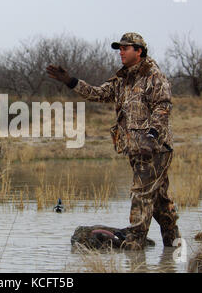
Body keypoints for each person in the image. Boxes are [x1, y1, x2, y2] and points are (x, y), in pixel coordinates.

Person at [46, 32, 181, 250]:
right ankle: (174, 247)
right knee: (159, 202)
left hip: (155, 149)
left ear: (139, 51)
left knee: (141, 193)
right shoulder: (122, 78)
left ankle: (135, 244)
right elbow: (98, 94)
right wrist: (70, 81)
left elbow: (163, 107)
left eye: (125, 48)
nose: (121, 52)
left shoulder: (153, 76)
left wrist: (152, 136)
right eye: (119, 48)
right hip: (136, 149)